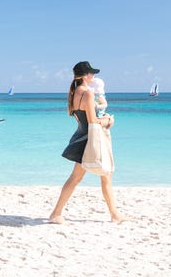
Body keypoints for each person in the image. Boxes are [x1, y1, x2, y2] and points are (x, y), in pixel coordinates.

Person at [49, 61, 124, 224]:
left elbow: (85, 118)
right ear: (85, 75)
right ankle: (56, 213)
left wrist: (101, 115)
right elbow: (93, 121)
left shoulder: (74, 92)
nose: (94, 76)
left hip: (81, 137)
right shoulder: (87, 93)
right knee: (104, 176)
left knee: (78, 177)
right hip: (89, 140)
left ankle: (114, 214)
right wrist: (108, 121)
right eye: (91, 73)